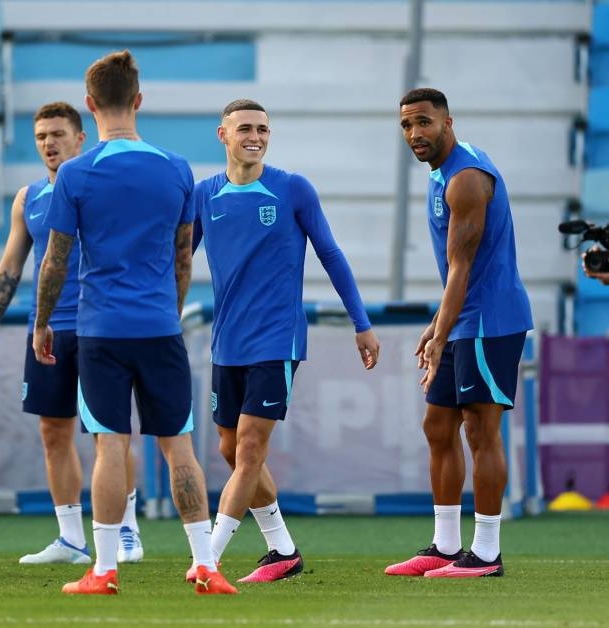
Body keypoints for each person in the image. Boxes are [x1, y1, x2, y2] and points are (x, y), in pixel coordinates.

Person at [33, 50, 236, 595]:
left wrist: (43, 321)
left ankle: (103, 570)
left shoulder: (75, 173)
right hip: (159, 328)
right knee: (179, 447)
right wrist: (166, 311)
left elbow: (56, 259)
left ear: (90, 105)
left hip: (100, 330)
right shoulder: (176, 169)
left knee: (108, 445)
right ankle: (205, 564)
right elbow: (183, 257)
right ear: (139, 101)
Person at [191, 99, 380, 583]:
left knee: (251, 449)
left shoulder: (292, 189)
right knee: (231, 452)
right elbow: (176, 260)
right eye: (245, 129)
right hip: (226, 342)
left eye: (263, 129)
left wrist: (361, 322)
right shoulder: (203, 195)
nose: (255, 136)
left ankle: (207, 559)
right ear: (223, 135)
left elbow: (331, 254)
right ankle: (283, 550)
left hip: (277, 340)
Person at [0, 102, 144, 565]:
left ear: (80, 137)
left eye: (58, 134)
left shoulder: (99, 189)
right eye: (41, 136)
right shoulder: (29, 198)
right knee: (53, 431)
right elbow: (11, 267)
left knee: (108, 433)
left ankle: (126, 529)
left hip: (97, 328)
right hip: (45, 331)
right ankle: (71, 538)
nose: (49, 143)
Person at [388, 87, 532, 578]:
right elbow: (455, 272)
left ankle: (486, 553)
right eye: (407, 125)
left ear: (448, 122)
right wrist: (437, 326)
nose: (415, 134)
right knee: (437, 425)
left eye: (424, 122)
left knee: (480, 429)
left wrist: (440, 335)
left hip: (491, 321)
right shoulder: (440, 175)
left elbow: (462, 266)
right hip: (465, 319)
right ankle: (445, 545)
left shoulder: (466, 179)